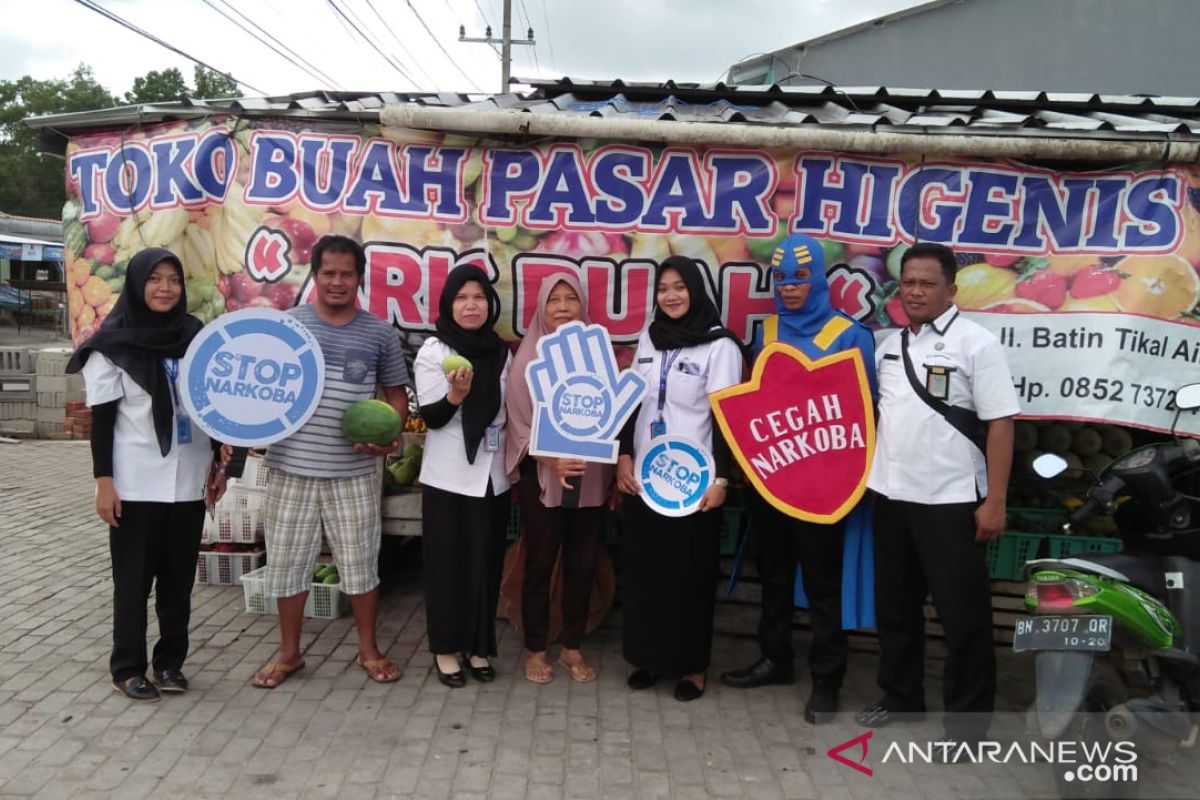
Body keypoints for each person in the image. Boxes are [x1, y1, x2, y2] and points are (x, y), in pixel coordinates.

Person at [855, 241, 1018, 745]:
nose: (917, 291)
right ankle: (901, 699)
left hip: (951, 503)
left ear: (951, 288)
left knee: (962, 617)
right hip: (892, 497)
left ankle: (967, 727)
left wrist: (994, 501)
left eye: (928, 283)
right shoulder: (888, 346)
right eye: (909, 282)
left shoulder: (977, 344)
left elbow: (1001, 425)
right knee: (896, 610)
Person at [720, 233, 877, 725]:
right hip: (770, 483)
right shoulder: (763, 331)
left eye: (800, 278)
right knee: (773, 578)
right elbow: (748, 403)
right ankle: (776, 660)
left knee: (824, 586)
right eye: (782, 278)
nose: (789, 287)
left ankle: (827, 680)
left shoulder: (850, 336)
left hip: (826, 489)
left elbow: (866, 416)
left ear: (820, 280)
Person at [69, 247, 231, 703]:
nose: (165, 288)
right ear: (138, 284)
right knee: (134, 581)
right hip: (134, 482)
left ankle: (170, 663)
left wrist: (220, 464)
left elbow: (212, 408)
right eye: (155, 279)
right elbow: (101, 423)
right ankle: (127, 668)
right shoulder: (112, 346)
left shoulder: (196, 338)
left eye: (174, 280)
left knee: (178, 582)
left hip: (189, 478)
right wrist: (104, 483)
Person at [251, 235, 409, 689]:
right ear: (315, 275)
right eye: (328, 273)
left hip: (354, 473)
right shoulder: (288, 327)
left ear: (359, 278)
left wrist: (388, 438)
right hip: (289, 468)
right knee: (286, 565)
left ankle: (368, 649)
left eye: (346, 274)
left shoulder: (379, 333)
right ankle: (289, 654)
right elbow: (261, 393)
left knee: (361, 565)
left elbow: (397, 398)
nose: (337, 282)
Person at [616, 255, 745, 702]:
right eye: (663, 288)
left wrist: (723, 481)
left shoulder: (719, 345)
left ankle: (691, 667)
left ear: (696, 290)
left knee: (688, 575)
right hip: (646, 479)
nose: (670, 296)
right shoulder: (649, 338)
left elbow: (730, 418)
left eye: (679, 287)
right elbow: (632, 403)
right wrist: (624, 457)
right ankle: (647, 658)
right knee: (645, 573)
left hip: (695, 482)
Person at [505, 273, 612, 684]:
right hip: (543, 478)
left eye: (571, 299)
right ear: (541, 309)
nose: (564, 308)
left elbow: (613, 415)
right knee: (541, 562)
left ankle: (571, 646)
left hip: (591, 477)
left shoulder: (596, 358)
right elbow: (519, 424)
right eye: (554, 300)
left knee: (583, 562)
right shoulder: (528, 359)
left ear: (583, 305)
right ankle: (536, 648)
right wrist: (552, 460)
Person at [414, 265, 512, 687]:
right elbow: (432, 418)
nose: (471, 305)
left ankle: (478, 647)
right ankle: (445, 650)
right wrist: (456, 396)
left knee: (485, 566)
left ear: (490, 303)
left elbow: (513, 411)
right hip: (447, 477)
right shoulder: (435, 351)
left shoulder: (502, 352)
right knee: (447, 567)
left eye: (478, 297)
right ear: (448, 305)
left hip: (493, 475)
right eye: (461, 298)